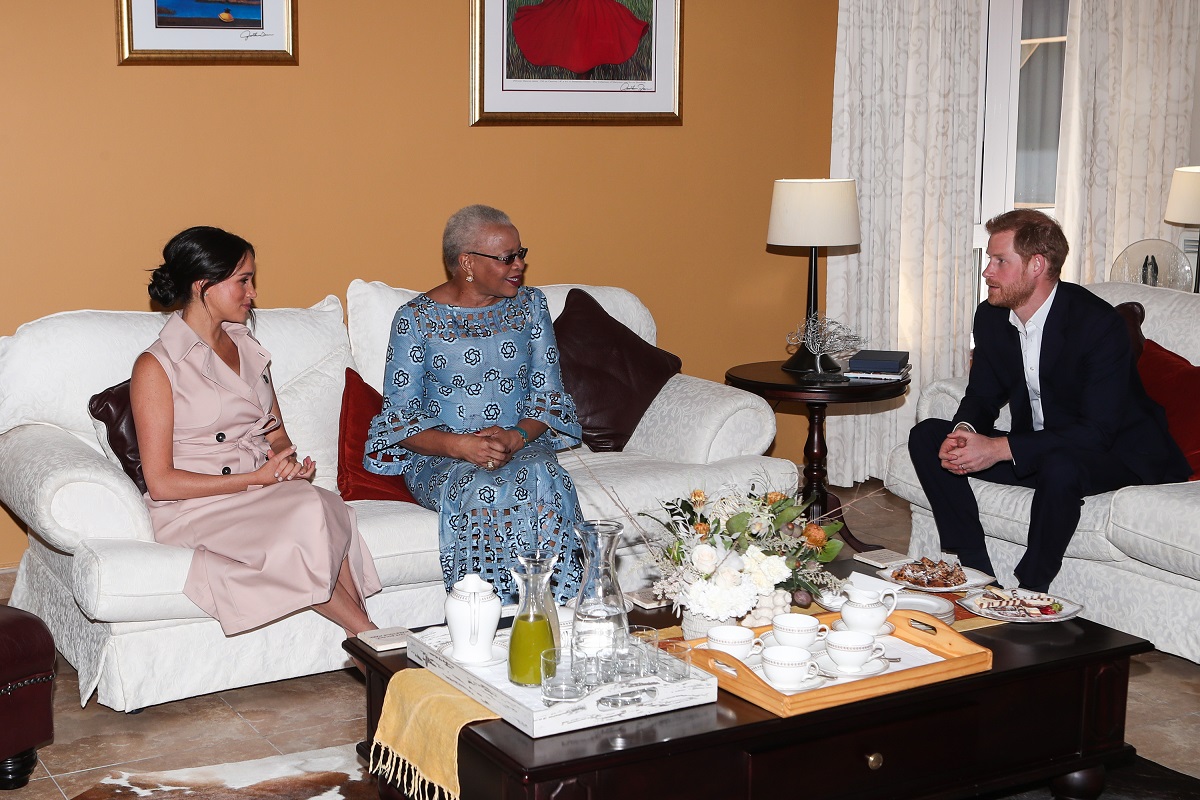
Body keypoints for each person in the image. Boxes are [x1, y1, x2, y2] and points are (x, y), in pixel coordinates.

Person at [908, 209, 1190, 592]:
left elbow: (1096, 432)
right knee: (928, 436)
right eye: (990, 260)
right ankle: (977, 576)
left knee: (1061, 465)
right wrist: (965, 431)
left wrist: (1000, 447)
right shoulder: (992, 317)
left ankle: (1030, 591)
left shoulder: (1097, 324)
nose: (987, 271)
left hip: (1119, 455)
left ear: (1036, 265)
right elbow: (983, 393)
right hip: (1041, 449)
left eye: (999, 261)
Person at [131, 226, 382, 640]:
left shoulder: (247, 346)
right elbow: (160, 482)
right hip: (196, 506)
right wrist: (256, 479)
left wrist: (285, 462)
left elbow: (276, 432)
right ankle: (374, 638)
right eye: (243, 281)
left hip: (256, 492)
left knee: (319, 503)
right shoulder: (157, 366)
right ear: (204, 285)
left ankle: (370, 641)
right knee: (308, 512)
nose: (252, 293)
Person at [364, 204, 585, 605]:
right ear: (466, 262)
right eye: (507, 258)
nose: (519, 265)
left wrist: (517, 437)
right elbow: (399, 421)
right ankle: (488, 614)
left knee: (543, 476)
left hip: (520, 447)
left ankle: (561, 607)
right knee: (480, 486)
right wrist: (461, 446)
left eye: (521, 253)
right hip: (440, 456)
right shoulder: (416, 320)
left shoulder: (530, 307)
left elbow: (548, 397)